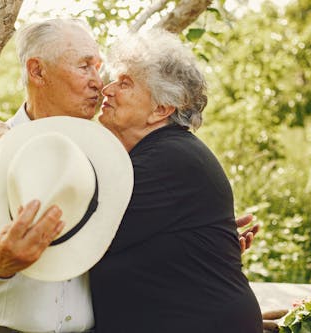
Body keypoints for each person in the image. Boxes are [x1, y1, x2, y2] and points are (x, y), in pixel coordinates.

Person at [0, 19, 258, 333]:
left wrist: (200, 244)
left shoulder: (108, 161)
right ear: (37, 71)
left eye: (101, 68)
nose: (101, 83)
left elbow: (125, 234)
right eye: (84, 66)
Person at [89, 30, 263, 332]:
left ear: (161, 109)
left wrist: (9, 147)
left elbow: (77, 234)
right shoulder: (159, 155)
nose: (107, 89)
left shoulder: (168, 161)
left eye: (125, 83)